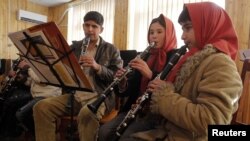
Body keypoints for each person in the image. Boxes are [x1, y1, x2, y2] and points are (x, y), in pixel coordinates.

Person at [126, 2, 243, 141]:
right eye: (182, 29)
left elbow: (212, 121)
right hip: (169, 130)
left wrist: (163, 96)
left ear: (207, 26)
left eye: (188, 28)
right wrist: (149, 105)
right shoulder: (191, 59)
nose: (182, 36)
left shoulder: (221, 63)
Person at [33, 11, 123, 141]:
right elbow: (61, 69)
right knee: (41, 107)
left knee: (86, 114)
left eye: (94, 26)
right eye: (87, 25)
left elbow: (117, 77)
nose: (89, 29)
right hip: (75, 96)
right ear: (83, 26)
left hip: (99, 97)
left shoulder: (111, 49)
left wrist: (97, 67)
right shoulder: (74, 47)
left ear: (101, 29)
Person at [98, 14, 177, 141]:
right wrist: (123, 82)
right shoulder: (145, 56)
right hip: (134, 109)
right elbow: (130, 90)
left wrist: (150, 74)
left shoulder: (176, 56)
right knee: (103, 132)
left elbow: (173, 88)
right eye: (151, 32)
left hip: (156, 114)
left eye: (159, 32)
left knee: (124, 137)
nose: (154, 36)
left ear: (169, 33)